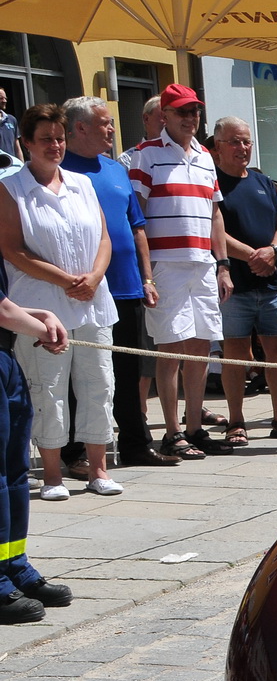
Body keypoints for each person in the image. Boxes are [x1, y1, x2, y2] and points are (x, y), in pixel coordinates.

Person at [0, 101, 120, 499]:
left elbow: (104, 238)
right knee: (47, 388)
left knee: (99, 383)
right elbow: (13, 250)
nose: (55, 146)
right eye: (46, 139)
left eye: (60, 138)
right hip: (40, 305)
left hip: (92, 300)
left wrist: (95, 275)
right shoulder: (11, 188)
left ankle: (98, 468)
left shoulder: (81, 183)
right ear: (26, 144)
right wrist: (65, 278)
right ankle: (52, 474)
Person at [61, 96, 169, 468]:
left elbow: (136, 226)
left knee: (127, 371)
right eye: (105, 123)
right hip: (79, 287)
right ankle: (73, 452)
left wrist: (148, 277)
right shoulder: (58, 169)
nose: (111, 129)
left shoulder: (115, 169)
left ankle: (136, 444)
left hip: (124, 286)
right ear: (79, 128)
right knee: (81, 371)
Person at [128, 83, 231, 461]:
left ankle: (193, 428)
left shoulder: (205, 156)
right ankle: (171, 432)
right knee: (170, 348)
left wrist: (222, 265)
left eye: (194, 112)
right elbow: (135, 214)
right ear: (165, 115)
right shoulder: (146, 155)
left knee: (201, 346)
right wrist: (146, 272)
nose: (190, 118)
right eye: (182, 112)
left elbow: (215, 213)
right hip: (166, 263)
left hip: (202, 263)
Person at [209, 116, 277, 447]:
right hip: (235, 283)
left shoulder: (262, 181)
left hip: (271, 282)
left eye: (246, 141)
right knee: (235, 352)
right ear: (218, 146)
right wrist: (253, 255)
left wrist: (273, 250)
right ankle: (236, 420)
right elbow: (213, 230)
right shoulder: (213, 182)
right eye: (235, 141)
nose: (242, 148)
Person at [0, 269, 71, 622]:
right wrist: (43, 329)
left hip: (4, 354)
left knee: (15, 472)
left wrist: (37, 316)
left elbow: (4, 304)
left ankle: (13, 566)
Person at [0, 88, 16, 158]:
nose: (5, 101)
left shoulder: (11, 119)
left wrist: (21, 165)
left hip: (12, 165)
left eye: (5, 98)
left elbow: (16, 146)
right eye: (1, 98)